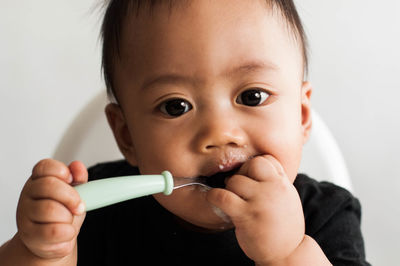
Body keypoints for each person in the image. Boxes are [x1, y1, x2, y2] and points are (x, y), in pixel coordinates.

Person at [0, 0, 371, 265]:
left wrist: (287, 254)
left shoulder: (324, 217)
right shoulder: (97, 211)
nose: (220, 132)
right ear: (128, 137)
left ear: (301, 115)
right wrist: (41, 250)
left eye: (252, 96)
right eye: (175, 106)